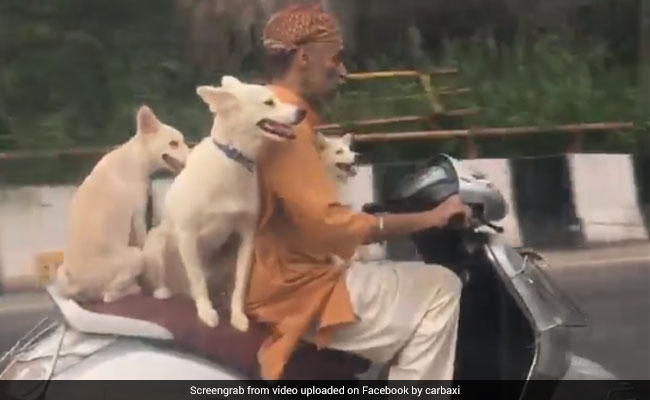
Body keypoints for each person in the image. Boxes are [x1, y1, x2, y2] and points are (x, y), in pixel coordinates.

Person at [245, 3, 466, 381]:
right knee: (441, 287)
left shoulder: (262, 109)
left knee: (403, 283)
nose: (342, 71)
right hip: (298, 287)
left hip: (281, 275)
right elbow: (328, 224)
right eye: (334, 59)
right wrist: (431, 217)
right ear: (303, 57)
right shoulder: (286, 123)